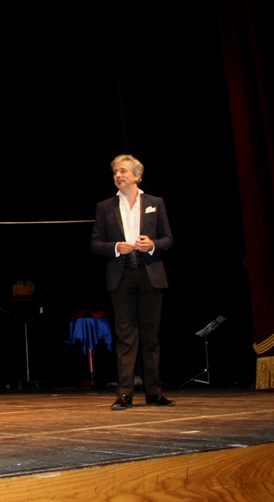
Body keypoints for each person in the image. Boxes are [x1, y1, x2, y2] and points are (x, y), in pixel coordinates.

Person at [90, 154, 175, 410]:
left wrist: (152, 245)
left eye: (123, 171)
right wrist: (116, 247)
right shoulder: (105, 207)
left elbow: (168, 239)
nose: (118, 175)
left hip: (150, 274)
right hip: (122, 275)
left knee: (151, 336)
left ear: (137, 176)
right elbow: (95, 243)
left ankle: (154, 392)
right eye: (115, 172)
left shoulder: (155, 203)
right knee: (126, 337)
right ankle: (125, 393)